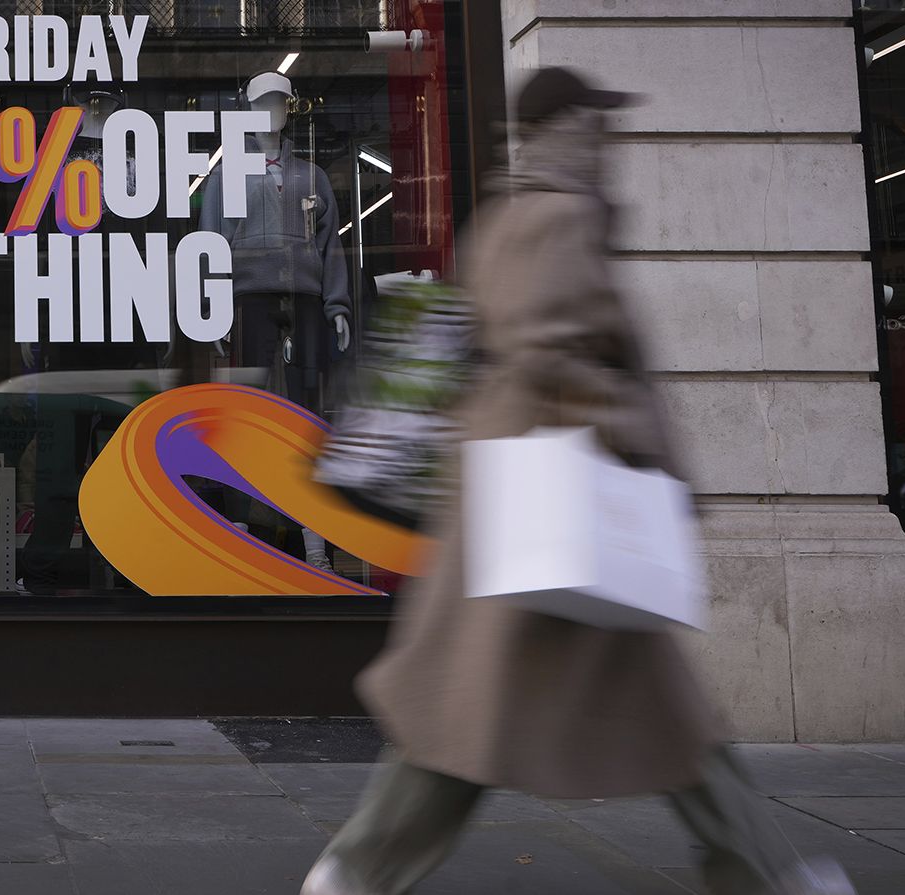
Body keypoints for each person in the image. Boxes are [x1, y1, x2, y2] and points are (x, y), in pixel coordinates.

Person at [300, 68, 854, 895]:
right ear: (572, 125)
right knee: (529, 713)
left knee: (509, 711)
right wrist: (632, 427)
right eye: (599, 121)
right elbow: (545, 348)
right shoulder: (557, 215)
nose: (611, 137)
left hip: (537, 495)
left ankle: (357, 868)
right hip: (560, 494)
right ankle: (357, 867)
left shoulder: (519, 211)